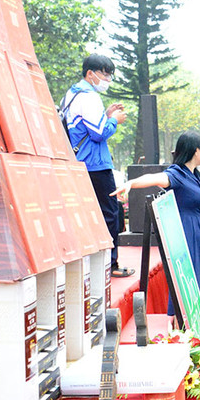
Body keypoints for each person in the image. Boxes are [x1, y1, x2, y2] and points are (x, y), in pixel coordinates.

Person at [113, 131, 200, 317]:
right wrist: (131, 184)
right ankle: (182, 328)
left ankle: (199, 332)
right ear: (195, 150)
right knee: (186, 284)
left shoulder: (196, 176)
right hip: (185, 233)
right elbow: (154, 178)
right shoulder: (177, 174)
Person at [60, 53, 133, 276]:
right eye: (105, 73)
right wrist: (114, 120)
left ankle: (92, 264)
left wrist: (106, 114)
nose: (108, 79)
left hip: (80, 163)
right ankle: (109, 265)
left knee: (88, 214)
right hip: (95, 165)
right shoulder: (89, 97)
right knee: (111, 213)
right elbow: (99, 132)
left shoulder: (72, 94)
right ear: (90, 74)